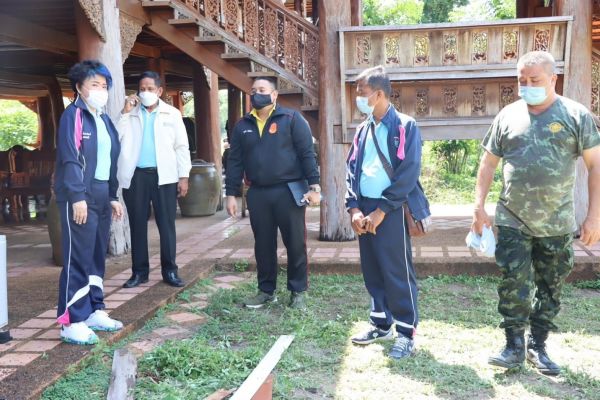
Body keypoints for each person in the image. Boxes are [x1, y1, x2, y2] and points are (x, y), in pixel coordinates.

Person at [473, 51, 600, 375]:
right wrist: (479, 207)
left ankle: (538, 345)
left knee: (550, 287)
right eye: (522, 80)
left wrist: (594, 216)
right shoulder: (508, 116)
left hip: (557, 222)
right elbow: (488, 163)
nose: (527, 86)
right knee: (513, 284)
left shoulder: (576, 116)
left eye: (535, 80)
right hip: (512, 217)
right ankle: (513, 346)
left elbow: (595, 165)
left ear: (553, 79)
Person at [345, 65, 430, 360]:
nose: (358, 98)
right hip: (364, 209)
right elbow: (352, 169)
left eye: (362, 92)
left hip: (391, 210)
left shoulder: (405, 126)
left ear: (379, 94)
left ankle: (406, 332)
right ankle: (380, 324)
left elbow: (408, 173)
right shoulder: (363, 129)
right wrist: (354, 208)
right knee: (372, 269)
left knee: (397, 271)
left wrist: (382, 210)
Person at [225, 76, 320, 310]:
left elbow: (307, 154)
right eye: (253, 90)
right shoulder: (242, 125)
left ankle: (298, 291)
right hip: (258, 193)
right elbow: (234, 161)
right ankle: (266, 291)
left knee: (295, 243)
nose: (257, 94)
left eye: (262, 89)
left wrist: (314, 186)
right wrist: (231, 194)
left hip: (289, 191)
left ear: (274, 95)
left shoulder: (291, 119)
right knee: (263, 245)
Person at [55, 60, 124, 345]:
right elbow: (70, 158)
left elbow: (110, 159)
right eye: (94, 84)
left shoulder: (104, 119)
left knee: (96, 254)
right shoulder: (73, 116)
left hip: (101, 194)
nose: (100, 90)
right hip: (80, 195)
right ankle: (71, 321)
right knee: (78, 257)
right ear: (79, 87)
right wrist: (77, 197)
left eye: (104, 85)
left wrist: (112, 196)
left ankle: (95, 309)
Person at [117, 71, 192, 288]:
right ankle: (139, 272)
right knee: (137, 224)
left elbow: (181, 146)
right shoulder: (129, 114)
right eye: (142, 89)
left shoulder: (172, 113)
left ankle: (170, 271)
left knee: (166, 225)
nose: (146, 92)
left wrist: (183, 176)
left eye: (150, 89)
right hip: (136, 176)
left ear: (159, 91)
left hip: (164, 176)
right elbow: (116, 138)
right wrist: (124, 113)